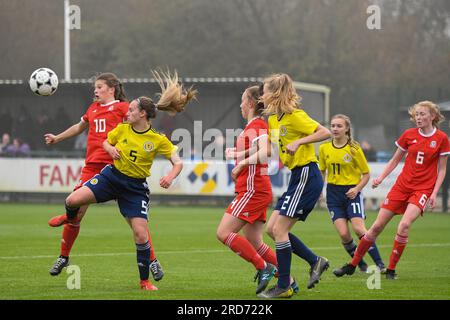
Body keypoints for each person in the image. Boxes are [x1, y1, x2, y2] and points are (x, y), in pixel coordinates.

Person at [60, 70, 196, 290]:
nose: (127, 112)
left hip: (134, 188)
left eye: (131, 109)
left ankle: (144, 282)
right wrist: (111, 149)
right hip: (111, 177)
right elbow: (105, 142)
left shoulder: (157, 139)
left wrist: (170, 177)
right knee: (72, 200)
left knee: (141, 234)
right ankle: (68, 220)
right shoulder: (122, 129)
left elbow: (178, 162)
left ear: (142, 114)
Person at [44, 73, 163, 282]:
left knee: (136, 223)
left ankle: (152, 260)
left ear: (112, 89)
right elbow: (79, 127)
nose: (95, 91)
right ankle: (63, 257)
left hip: (116, 168)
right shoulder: (92, 109)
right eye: (95, 88)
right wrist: (57, 137)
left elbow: (142, 116)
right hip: (92, 166)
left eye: (99, 87)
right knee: (77, 213)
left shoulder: (123, 107)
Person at [334, 101, 449, 279]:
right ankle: (352, 265)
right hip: (401, 187)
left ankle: (391, 269)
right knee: (376, 227)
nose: (418, 118)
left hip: (422, 190)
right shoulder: (408, 135)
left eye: (422, 114)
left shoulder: (441, 139)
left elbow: (442, 169)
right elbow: (395, 160)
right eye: (416, 115)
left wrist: (433, 193)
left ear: (432, 116)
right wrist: (380, 178)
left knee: (404, 225)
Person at [217, 85, 297, 295]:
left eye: (243, 100)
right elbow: (258, 149)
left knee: (224, 233)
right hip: (255, 189)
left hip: (253, 189)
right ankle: (288, 280)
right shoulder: (254, 126)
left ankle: (264, 267)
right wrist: (238, 153)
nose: (241, 105)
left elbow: (266, 151)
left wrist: (241, 163)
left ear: (251, 103)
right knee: (254, 240)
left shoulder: (257, 124)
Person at [257, 73, 331, 298]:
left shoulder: (295, 116)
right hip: (296, 177)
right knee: (272, 229)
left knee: (279, 230)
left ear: (275, 93)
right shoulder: (272, 120)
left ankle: (284, 286)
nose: (262, 95)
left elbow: (325, 132)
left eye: (265, 91)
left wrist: (299, 141)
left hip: (308, 175)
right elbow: (271, 149)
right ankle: (315, 261)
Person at [318, 114, 386, 275]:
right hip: (333, 194)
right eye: (333, 126)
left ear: (347, 129)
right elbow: (322, 171)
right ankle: (360, 265)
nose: (335, 129)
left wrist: (356, 189)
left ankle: (380, 264)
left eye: (339, 126)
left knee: (359, 229)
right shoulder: (324, 148)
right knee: (343, 234)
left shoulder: (354, 148)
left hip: (351, 192)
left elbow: (366, 174)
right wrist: (320, 190)